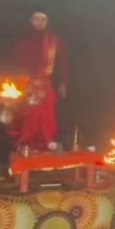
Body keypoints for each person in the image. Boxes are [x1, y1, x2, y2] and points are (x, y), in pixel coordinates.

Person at [8, 9, 68, 151]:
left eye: (43, 19)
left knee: (47, 114)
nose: (40, 22)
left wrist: (63, 82)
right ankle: (25, 143)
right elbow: (15, 64)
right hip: (26, 83)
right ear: (31, 20)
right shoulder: (22, 40)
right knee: (28, 114)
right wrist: (22, 83)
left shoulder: (53, 41)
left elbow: (62, 62)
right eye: (37, 18)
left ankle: (48, 142)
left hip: (45, 83)